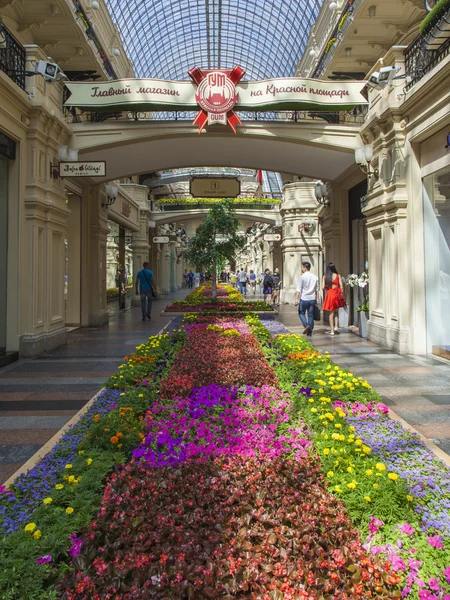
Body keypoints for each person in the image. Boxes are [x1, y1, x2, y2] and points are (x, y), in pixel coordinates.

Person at [294, 262, 319, 336]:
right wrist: (316, 298)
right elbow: (316, 289)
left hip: (304, 298)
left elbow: (298, 289)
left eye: (302, 267)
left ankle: (306, 325)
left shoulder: (302, 277)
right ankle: (310, 331)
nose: (301, 269)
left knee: (301, 313)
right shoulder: (315, 277)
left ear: (305, 268)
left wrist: (296, 299)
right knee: (310, 315)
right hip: (312, 298)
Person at [322, 263, 345, 336]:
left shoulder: (325, 276)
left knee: (331, 313)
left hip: (329, 294)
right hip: (336, 294)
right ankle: (336, 327)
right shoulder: (338, 275)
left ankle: (331, 330)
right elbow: (341, 287)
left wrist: (327, 287)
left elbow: (323, 287)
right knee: (336, 312)